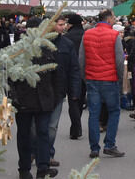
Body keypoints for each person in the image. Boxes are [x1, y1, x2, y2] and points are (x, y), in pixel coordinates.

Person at [9, 17, 57, 179]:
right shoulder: (17, 50)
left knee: (43, 133)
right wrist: (13, 97)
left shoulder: (48, 48)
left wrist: (55, 95)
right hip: (23, 100)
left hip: (44, 99)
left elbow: (55, 73)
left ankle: (43, 168)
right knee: (24, 135)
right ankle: (24, 169)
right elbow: (9, 76)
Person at [78, 9, 126, 159]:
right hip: (109, 79)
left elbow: (81, 60)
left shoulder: (87, 34)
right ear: (109, 19)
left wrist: (85, 77)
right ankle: (109, 144)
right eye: (113, 17)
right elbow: (119, 60)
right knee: (114, 111)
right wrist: (118, 77)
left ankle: (94, 148)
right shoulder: (114, 35)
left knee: (94, 113)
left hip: (92, 78)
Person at [47, 16, 81, 170]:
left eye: (64, 24)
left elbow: (74, 68)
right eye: (60, 24)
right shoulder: (40, 43)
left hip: (59, 90)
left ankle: (48, 154)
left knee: (52, 126)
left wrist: (74, 90)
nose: (63, 27)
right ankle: (36, 150)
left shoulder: (67, 44)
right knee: (37, 126)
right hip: (40, 90)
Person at [63, 13, 86, 140]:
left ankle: (75, 127)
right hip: (85, 71)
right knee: (81, 98)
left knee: (73, 100)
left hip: (70, 72)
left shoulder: (66, 38)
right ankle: (77, 125)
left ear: (71, 24)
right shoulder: (86, 35)